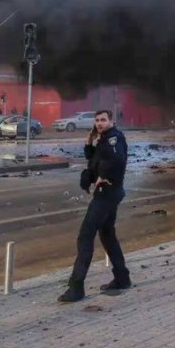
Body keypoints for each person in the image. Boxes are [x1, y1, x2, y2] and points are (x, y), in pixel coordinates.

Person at [58, 109, 130, 303]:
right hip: (110, 193)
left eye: (103, 120)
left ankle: (76, 288)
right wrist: (89, 140)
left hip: (107, 194)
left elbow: (117, 160)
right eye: (97, 121)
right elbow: (94, 158)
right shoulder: (103, 138)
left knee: (85, 237)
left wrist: (103, 177)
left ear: (111, 121)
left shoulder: (114, 138)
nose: (99, 123)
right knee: (107, 235)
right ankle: (122, 278)